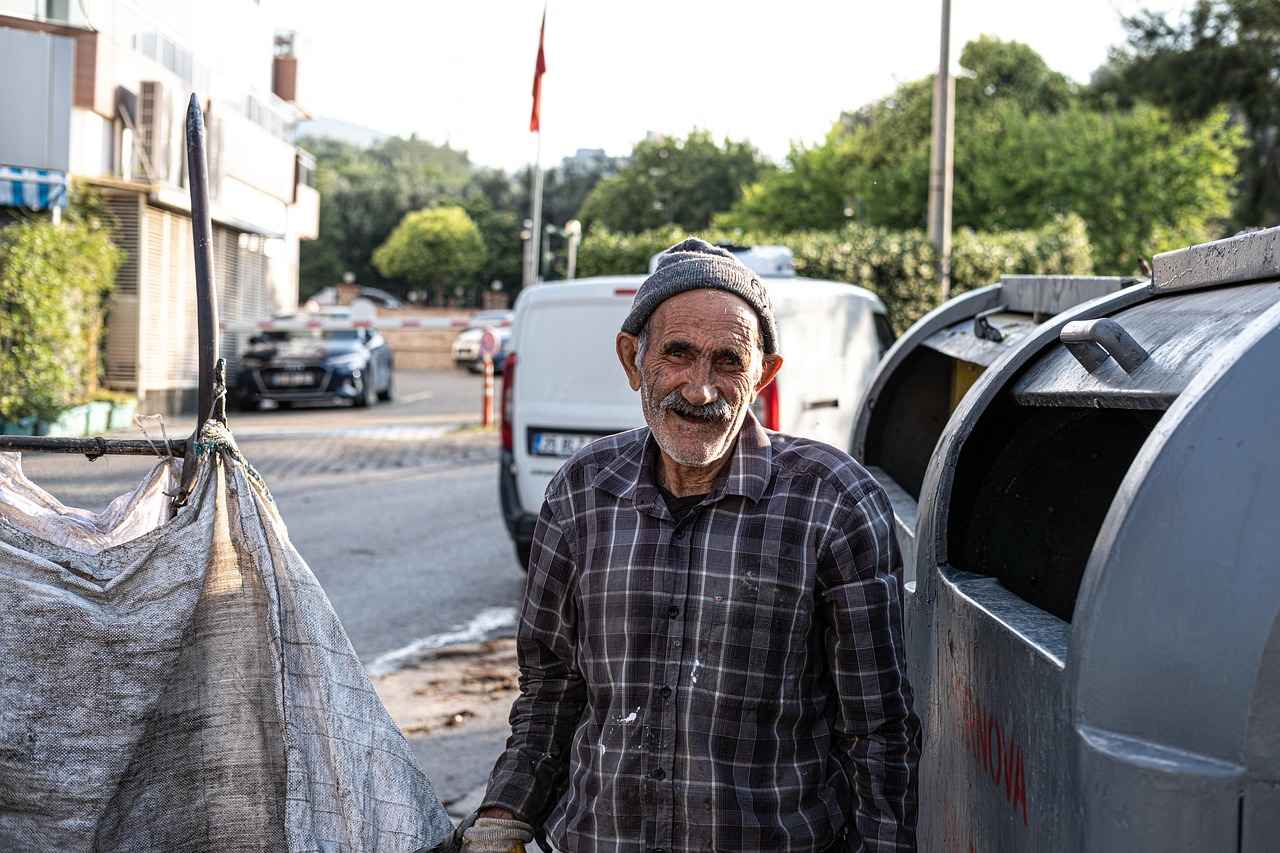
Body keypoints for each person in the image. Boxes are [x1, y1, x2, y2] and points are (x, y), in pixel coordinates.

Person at [459, 239, 920, 852]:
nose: (700, 390)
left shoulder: (833, 502)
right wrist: (505, 814)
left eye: (728, 361)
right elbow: (550, 691)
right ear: (633, 359)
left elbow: (878, 729)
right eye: (677, 354)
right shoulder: (582, 491)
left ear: (763, 375)